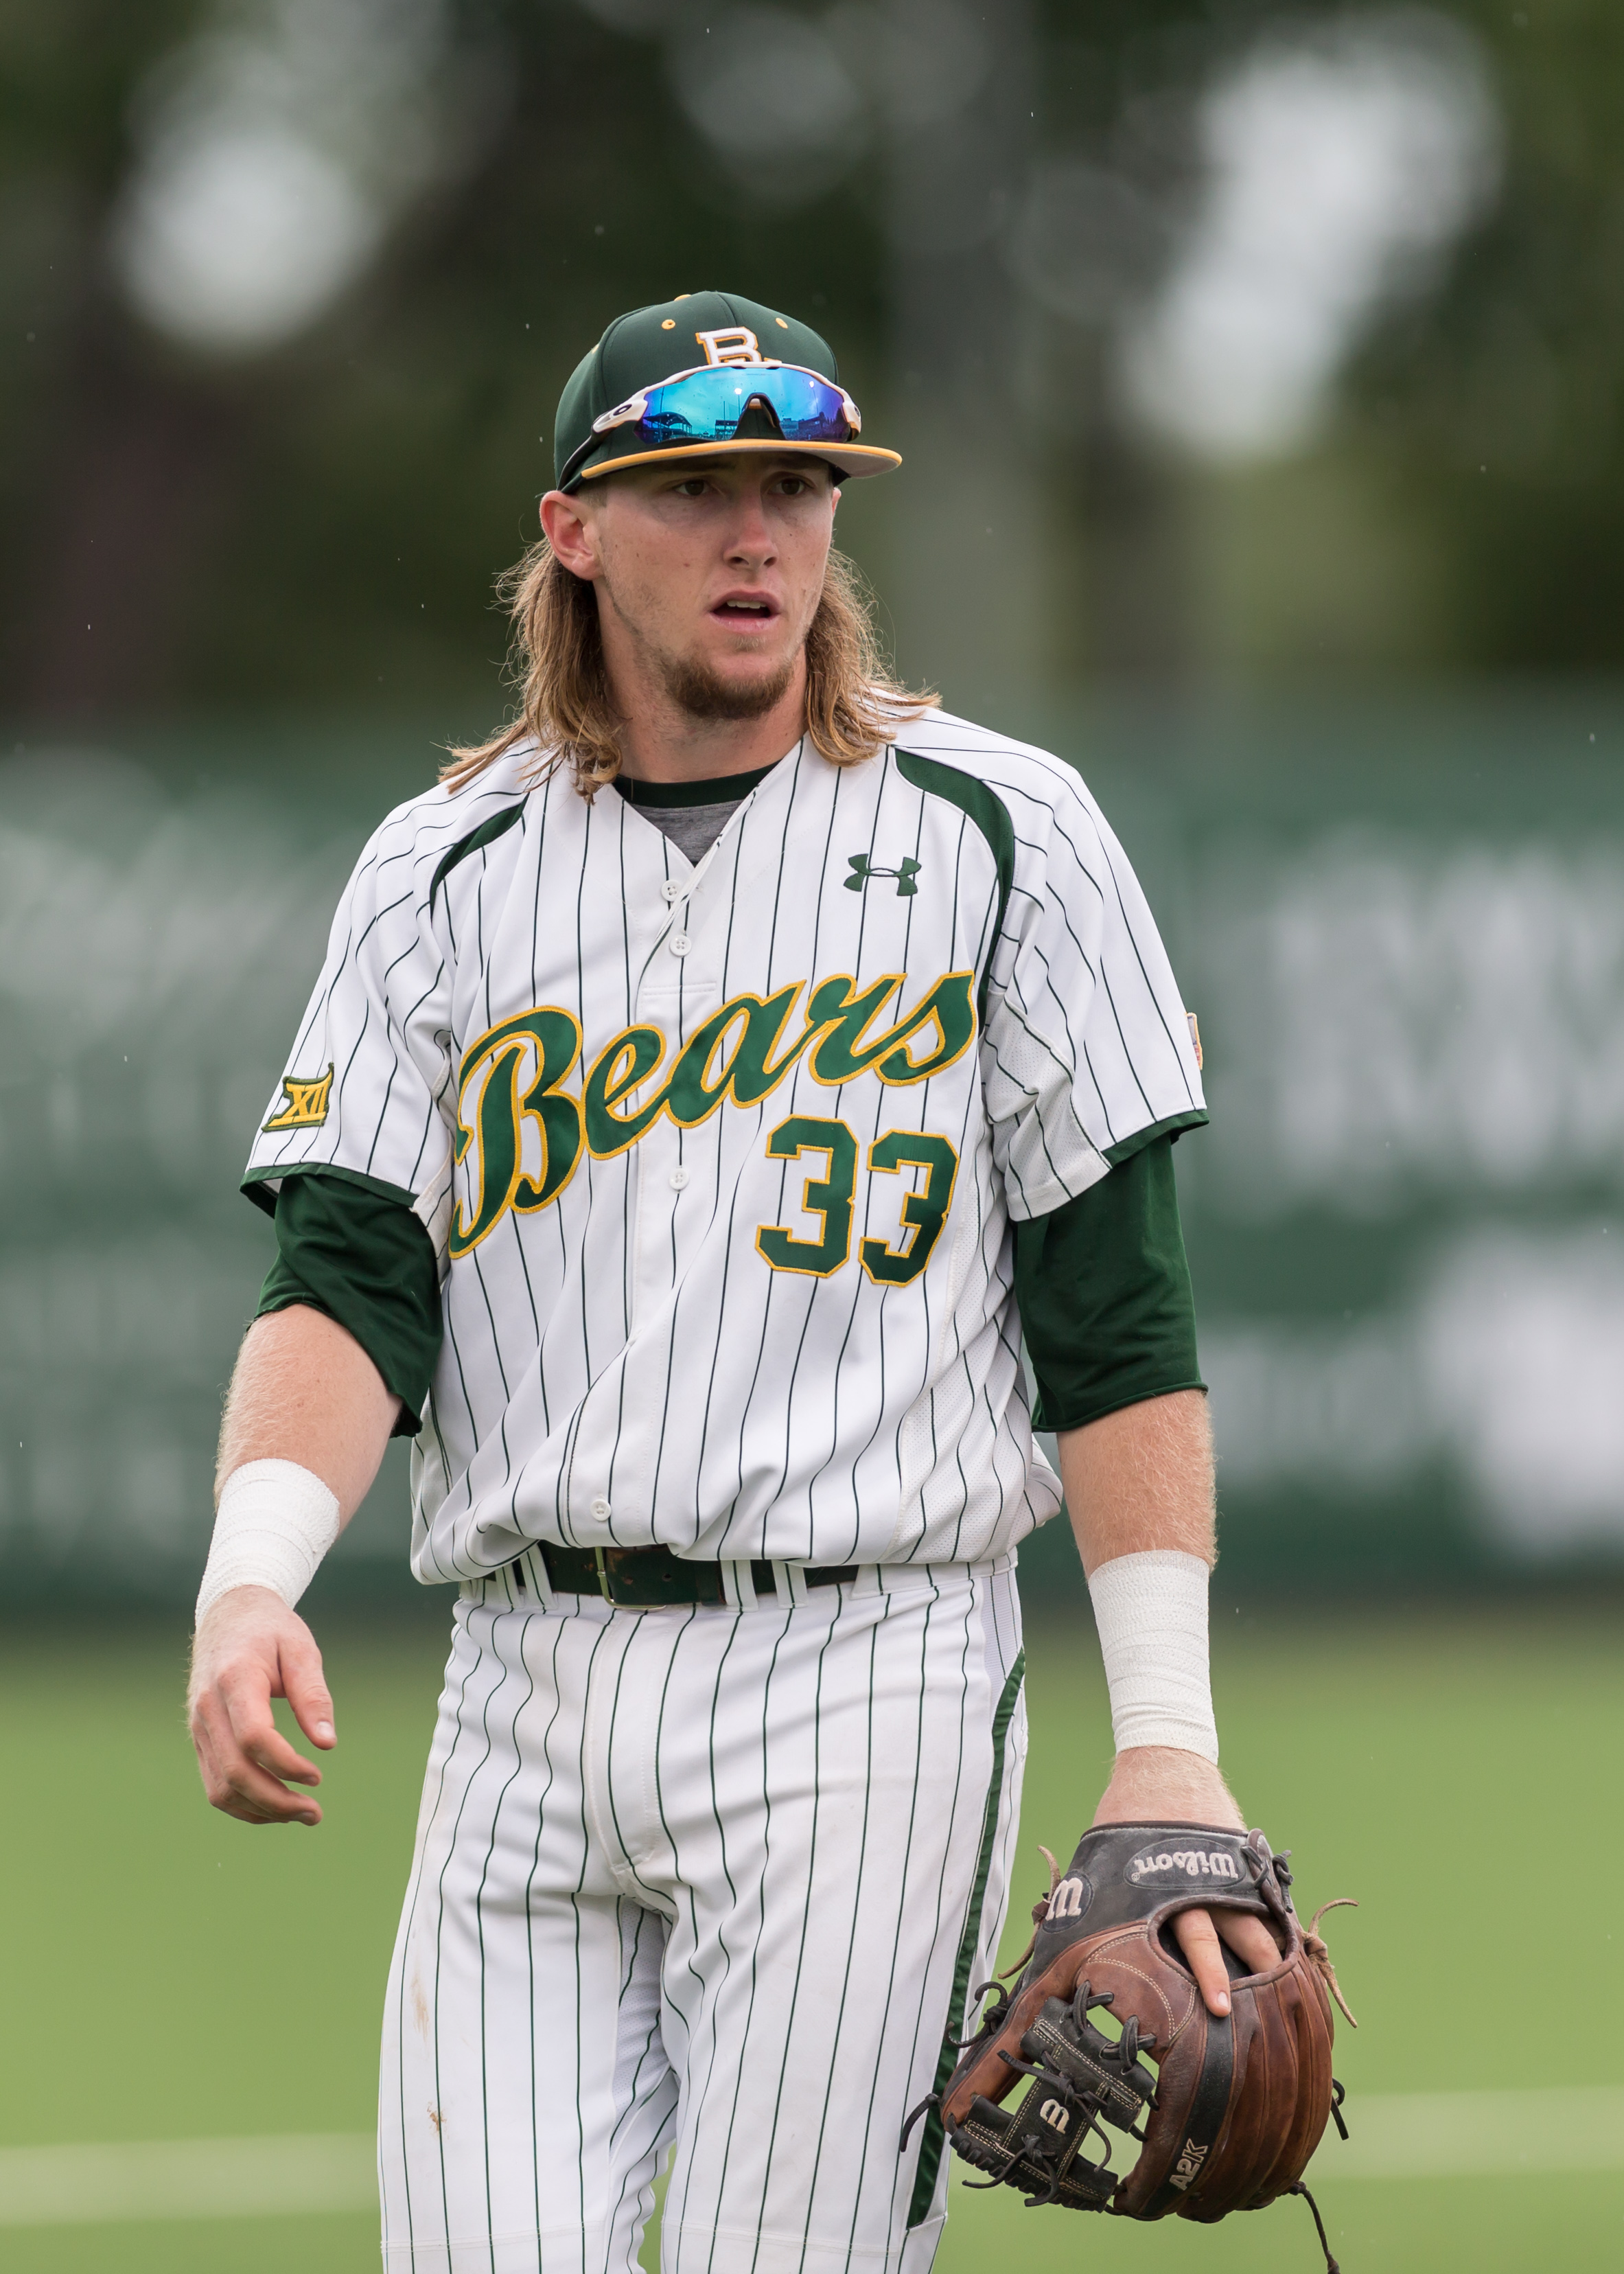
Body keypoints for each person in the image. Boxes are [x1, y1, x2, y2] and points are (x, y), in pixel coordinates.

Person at [187, 290, 1278, 2274]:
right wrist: (249, 1579)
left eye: (797, 484)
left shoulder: (1001, 835)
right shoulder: (445, 867)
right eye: (695, 487)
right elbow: (347, 1278)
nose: (759, 531)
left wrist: (1170, 1731)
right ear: (577, 531)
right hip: (520, 1685)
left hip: (863, 1685)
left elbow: (1114, 1316)